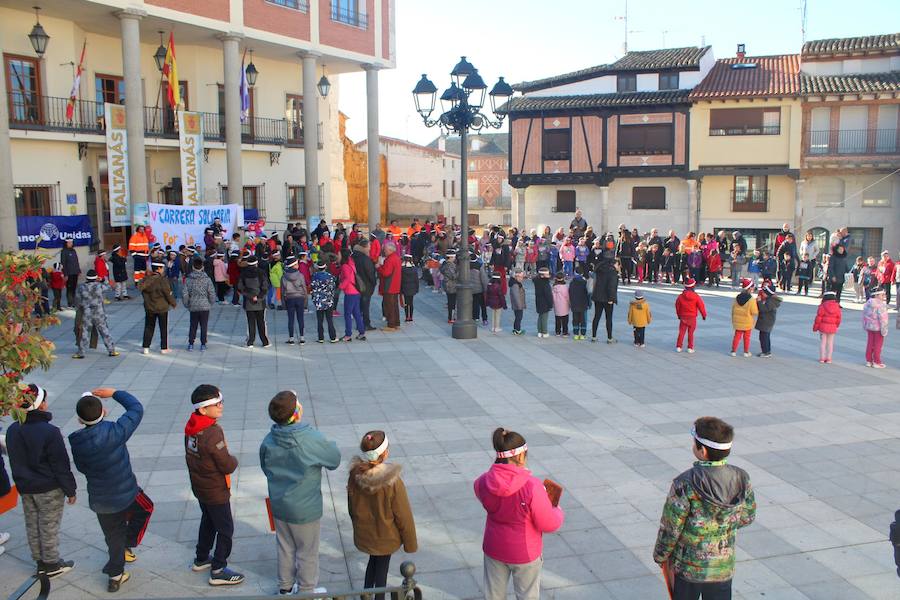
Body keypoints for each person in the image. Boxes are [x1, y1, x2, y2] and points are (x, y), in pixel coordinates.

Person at [653, 417, 756, 600]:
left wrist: (661, 555)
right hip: (722, 567)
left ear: (703, 451)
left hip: (688, 568)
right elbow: (748, 516)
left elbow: (671, 527)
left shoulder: (684, 483)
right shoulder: (742, 477)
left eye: (694, 444)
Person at [69, 388, 152, 593]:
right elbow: (136, 408)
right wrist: (115, 393)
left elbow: (81, 467)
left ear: (80, 421)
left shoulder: (77, 442)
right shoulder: (116, 431)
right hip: (128, 492)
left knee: (112, 536)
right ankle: (128, 542)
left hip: (101, 500)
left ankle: (115, 576)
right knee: (146, 508)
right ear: (104, 412)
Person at [260, 391, 341, 595]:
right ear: (296, 413)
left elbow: (265, 467)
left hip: (279, 504)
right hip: (305, 508)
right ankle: (306, 590)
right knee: (307, 551)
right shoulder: (309, 437)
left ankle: (285, 587)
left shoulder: (269, 439)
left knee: (285, 546)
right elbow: (334, 459)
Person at [475, 428, 564, 600]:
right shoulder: (532, 486)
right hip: (524, 553)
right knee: (527, 596)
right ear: (521, 456)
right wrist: (556, 510)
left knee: (493, 596)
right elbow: (549, 524)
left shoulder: (484, 481)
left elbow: (479, 490)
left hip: (494, 547)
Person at [5, 384, 77, 577]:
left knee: (32, 523)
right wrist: (70, 489)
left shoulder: (13, 429)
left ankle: (39, 561)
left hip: (25, 486)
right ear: (41, 405)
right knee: (48, 526)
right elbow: (60, 465)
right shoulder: (50, 431)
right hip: (48, 488)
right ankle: (52, 564)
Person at [347, 431, 417, 600]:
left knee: (373, 562)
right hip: (386, 536)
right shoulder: (392, 482)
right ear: (385, 453)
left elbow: (352, 509)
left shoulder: (355, 475)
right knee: (381, 571)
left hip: (367, 533)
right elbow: (403, 515)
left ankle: (365, 594)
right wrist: (410, 543)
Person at [185, 385, 244, 585]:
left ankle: (201, 558)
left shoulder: (192, 426)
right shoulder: (211, 433)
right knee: (226, 528)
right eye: (216, 404)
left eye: (221, 402)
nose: (221, 406)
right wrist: (234, 460)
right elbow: (226, 464)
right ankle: (218, 569)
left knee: (208, 521)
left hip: (200, 486)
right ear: (203, 409)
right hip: (215, 490)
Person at [73, 270, 118, 358]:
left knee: (85, 332)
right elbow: (109, 286)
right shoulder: (100, 286)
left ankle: (81, 352)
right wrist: (103, 279)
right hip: (99, 312)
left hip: (87, 312)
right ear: (96, 278)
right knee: (104, 331)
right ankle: (111, 350)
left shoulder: (81, 287)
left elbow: (77, 300)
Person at [139, 260, 176, 355]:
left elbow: (142, 290)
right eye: (163, 268)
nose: (163, 270)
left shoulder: (146, 280)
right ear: (159, 269)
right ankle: (164, 347)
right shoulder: (162, 280)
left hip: (149, 307)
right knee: (163, 327)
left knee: (148, 327)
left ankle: (146, 347)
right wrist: (173, 303)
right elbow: (167, 293)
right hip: (162, 307)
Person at [183, 257, 216, 351]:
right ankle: (203, 344)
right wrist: (210, 303)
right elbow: (212, 293)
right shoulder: (207, 279)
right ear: (202, 267)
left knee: (193, 325)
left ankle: (191, 343)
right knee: (204, 325)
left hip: (193, 305)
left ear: (193, 267)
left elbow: (185, 293)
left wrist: (187, 304)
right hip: (205, 306)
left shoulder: (189, 279)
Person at [238, 255, 271, 348]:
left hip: (248, 302)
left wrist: (250, 296)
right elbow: (265, 287)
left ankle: (250, 341)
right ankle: (265, 341)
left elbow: (240, 288)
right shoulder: (261, 273)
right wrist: (259, 297)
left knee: (250, 322)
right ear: (256, 263)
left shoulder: (243, 273)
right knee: (262, 322)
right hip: (260, 302)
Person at [591, 237, 618, 343]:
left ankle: (594, 336)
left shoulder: (599, 268)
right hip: (607, 298)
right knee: (608, 318)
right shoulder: (612, 271)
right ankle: (609, 337)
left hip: (598, 296)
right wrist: (612, 298)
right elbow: (611, 286)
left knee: (596, 316)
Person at [338, 248, 366, 342]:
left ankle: (348, 334)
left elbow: (347, 279)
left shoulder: (345, 266)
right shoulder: (352, 263)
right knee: (356, 313)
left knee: (347, 313)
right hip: (356, 291)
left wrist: (340, 287)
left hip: (350, 292)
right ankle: (361, 332)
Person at [281, 256, 308, 344]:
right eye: (296, 264)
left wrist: (283, 304)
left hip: (289, 298)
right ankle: (302, 338)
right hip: (300, 298)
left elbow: (282, 291)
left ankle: (291, 338)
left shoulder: (284, 276)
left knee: (291, 319)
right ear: (293, 265)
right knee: (301, 318)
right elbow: (304, 289)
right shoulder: (300, 275)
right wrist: (305, 302)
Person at [675, 278, 706, 353]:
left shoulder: (680, 296)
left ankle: (679, 346)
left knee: (682, 332)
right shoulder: (696, 296)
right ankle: (690, 347)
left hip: (683, 316)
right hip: (692, 317)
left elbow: (677, 306)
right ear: (693, 286)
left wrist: (679, 315)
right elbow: (701, 306)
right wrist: (704, 315)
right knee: (691, 333)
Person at [352, 239, 377, 331]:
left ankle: (359, 323)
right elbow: (370, 273)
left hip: (355, 285)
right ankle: (366, 324)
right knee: (365, 306)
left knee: (359, 306)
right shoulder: (365, 259)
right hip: (366, 286)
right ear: (365, 247)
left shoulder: (353, 256)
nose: (370, 249)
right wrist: (374, 282)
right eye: (369, 247)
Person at [310, 261, 337, 343]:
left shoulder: (314, 276)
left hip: (319, 301)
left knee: (320, 320)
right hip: (328, 300)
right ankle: (333, 337)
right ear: (325, 267)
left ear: (317, 268)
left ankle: (320, 338)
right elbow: (333, 288)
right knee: (330, 320)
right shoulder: (330, 276)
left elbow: (312, 287)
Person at [730, 278, 758, 357]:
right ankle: (746, 352)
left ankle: (733, 351)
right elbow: (754, 312)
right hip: (747, 321)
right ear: (749, 288)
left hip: (737, 320)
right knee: (746, 337)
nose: (753, 288)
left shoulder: (737, 297)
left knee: (737, 336)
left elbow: (733, 308)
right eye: (752, 287)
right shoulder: (751, 300)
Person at [377, 243, 402, 331]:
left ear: (390, 250)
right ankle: (396, 323)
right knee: (395, 305)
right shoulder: (397, 258)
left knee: (389, 305)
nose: (384, 251)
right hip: (396, 285)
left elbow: (386, 273)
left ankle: (391, 325)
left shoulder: (390, 259)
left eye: (385, 250)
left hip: (389, 285)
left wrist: (379, 267)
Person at [862, 287, 889, 368]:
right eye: (882, 295)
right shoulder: (881, 305)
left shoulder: (867, 304)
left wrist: (865, 325)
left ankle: (869, 360)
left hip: (869, 327)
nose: (884, 296)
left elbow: (864, 316)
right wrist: (884, 329)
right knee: (878, 345)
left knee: (870, 343)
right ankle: (877, 361)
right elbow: (883, 318)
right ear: (876, 295)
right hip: (878, 328)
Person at [813, 290, 842, 364]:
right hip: (832, 327)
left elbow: (818, 318)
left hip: (823, 327)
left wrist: (815, 327)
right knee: (830, 343)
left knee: (823, 343)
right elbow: (839, 318)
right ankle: (829, 358)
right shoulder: (837, 306)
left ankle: (822, 358)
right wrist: (836, 325)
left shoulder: (822, 306)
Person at [755, 283, 782, 358]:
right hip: (766, 321)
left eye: (764, 293)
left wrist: (759, 302)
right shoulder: (769, 300)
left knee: (764, 337)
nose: (762, 293)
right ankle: (765, 351)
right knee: (763, 337)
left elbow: (763, 309)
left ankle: (766, 352)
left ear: (768, 294)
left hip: (767, 322)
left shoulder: (771, 301)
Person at [569, 266, 590, 340]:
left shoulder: (572, 283)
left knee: (575, 319)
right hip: (583, 304)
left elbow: (570, 293)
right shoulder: (584, 282)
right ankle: (583, 334)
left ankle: (576, 334)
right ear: (582, 273)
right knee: (583, 320)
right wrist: (589, 303)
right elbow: (588, 294)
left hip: (574, 304)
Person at [439, 250, 459, 324]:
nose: (455, 258)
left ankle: (451, 317)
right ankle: (451, 317)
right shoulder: (449, 265)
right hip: (451, 286)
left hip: (449, 285)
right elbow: (453, 276)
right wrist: (459, 271)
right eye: (454, 257)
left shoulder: (447, 264)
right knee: (452, 302)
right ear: (450, 257)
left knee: (451, 302)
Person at [60, 239, 80, 308]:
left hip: (75, 272)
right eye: (69, 243)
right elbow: (63, 263)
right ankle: (70, 303)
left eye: (71, 242)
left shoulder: (73, 251)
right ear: (66, 243)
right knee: (69, 289)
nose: (70, 244)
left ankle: (74, 302)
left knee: (74, 288)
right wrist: (65, 274)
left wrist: (78, 270)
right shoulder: (64, 252)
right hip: (69, 273)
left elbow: (76, 261)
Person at [469, 254, 489, 326]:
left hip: (470, 289)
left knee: (474, 304)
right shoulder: (479, 266)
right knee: (482, 305)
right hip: (479, 288)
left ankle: (475, 317)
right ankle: (484, 319)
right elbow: (483, 278)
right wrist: (486, 288)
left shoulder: (466, 266)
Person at [533, 266, 552, 338]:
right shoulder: (546, 283)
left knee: (540, 316)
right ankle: (544, 332)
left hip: (538, 301)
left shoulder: (537, 282)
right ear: (543, 275)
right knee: (544, 317)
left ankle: (539, 331)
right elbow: (548, 295)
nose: (548, 275)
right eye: (547, 274)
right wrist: (550, 304)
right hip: (545, 302)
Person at [400, 254, 419, 322]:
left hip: (404, 287)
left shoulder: (402, 269)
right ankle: (411, 316)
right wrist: (417, 288)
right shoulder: (414, 268)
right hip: (412, 287)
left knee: (406, 303)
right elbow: (416, 279)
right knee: (411, 303)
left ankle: (406, 316)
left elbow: (400, 279)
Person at [551, 272, 570, 336]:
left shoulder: (554, 287)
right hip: (564, 305)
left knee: (557, 319)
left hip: (557, 305)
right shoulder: (565, 287)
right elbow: (567, 297)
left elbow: (552, 297)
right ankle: (565, 332)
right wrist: (569, 303)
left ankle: (558, 332)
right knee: (565, 320)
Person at [509, 269, 527, 335]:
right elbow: (516, 296)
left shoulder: (517, 284)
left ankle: (516, 329)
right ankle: (517, 329)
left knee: (518, 317)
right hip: (518, 304)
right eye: (521, 277)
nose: (522, 279)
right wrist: (519, 305)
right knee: (518, 317)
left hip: (518, 304)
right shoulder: (515, 285)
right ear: (517, 277)